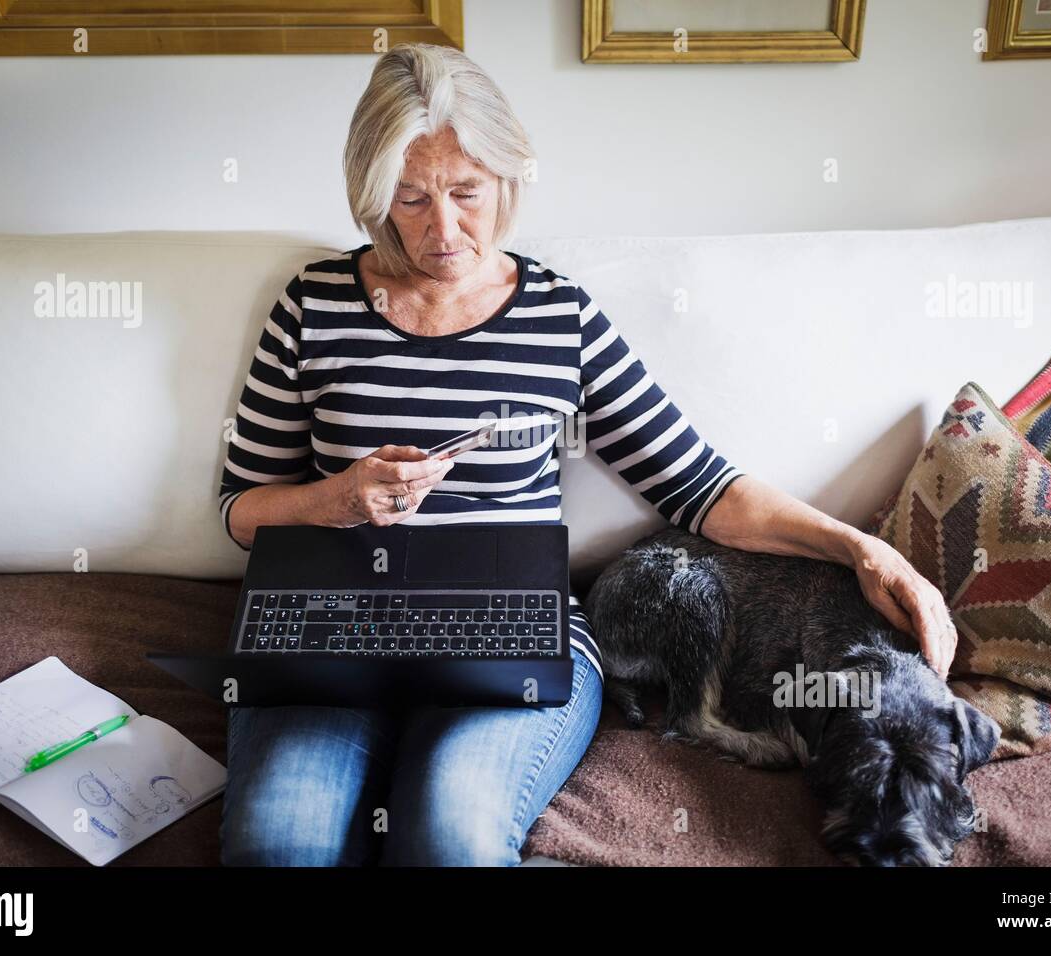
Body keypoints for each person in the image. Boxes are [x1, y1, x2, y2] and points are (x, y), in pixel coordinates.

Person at [216, 43, 957, 866]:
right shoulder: (312, 306)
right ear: (372, 192)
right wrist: (336, 500)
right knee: (277, 846)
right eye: (410, 199)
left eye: (466, 192)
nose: (444, 229)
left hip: (515, 637)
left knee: (448, 837)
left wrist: (863, 549)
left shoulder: (558, 317)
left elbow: (703, 489)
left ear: (507, 177)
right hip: (338, 629)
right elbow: (241, 511)